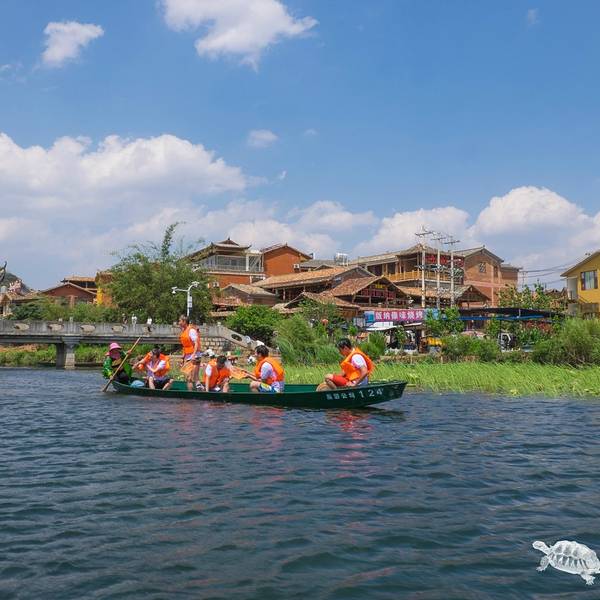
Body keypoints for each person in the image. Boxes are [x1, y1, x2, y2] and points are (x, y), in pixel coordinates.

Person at [178, 314, 202, 391]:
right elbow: (185, 345)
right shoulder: (184, 331)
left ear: (184, 321)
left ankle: (197, 391)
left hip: (194, 356)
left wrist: (194, 355)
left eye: (180, 321)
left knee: (191, 378)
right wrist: (183, 357)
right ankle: (196, 390)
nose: (178, 323)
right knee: (189, 378)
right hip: (188, 356)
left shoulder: (191, 331)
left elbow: (196, 343)